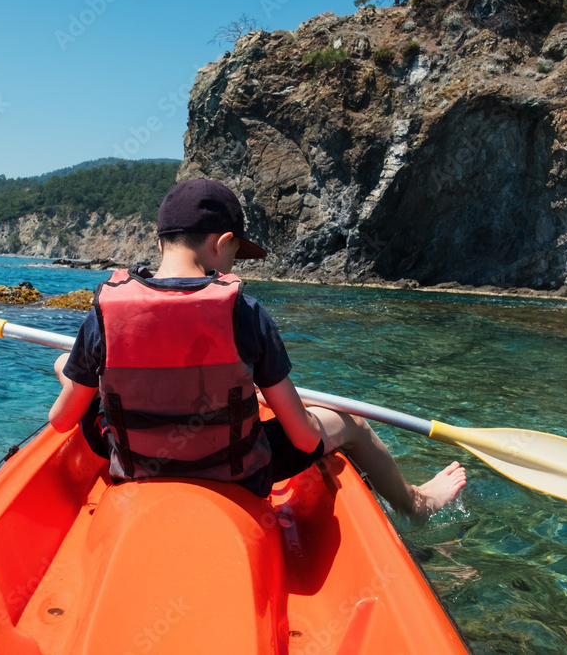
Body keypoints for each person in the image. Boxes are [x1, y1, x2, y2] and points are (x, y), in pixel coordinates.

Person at [49, 178, 465, 518]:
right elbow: (303, 439)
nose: (233, 264)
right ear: (223, 242)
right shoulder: (245, 313)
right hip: (238, 474)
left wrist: (75, 375)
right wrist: (305, 416)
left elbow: (62, 420)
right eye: (235, 253)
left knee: (64, 363)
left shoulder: (104, 313)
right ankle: (416, 504)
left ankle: (71, 371)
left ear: (160, 243)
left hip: (137, 467)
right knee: (353, 423)